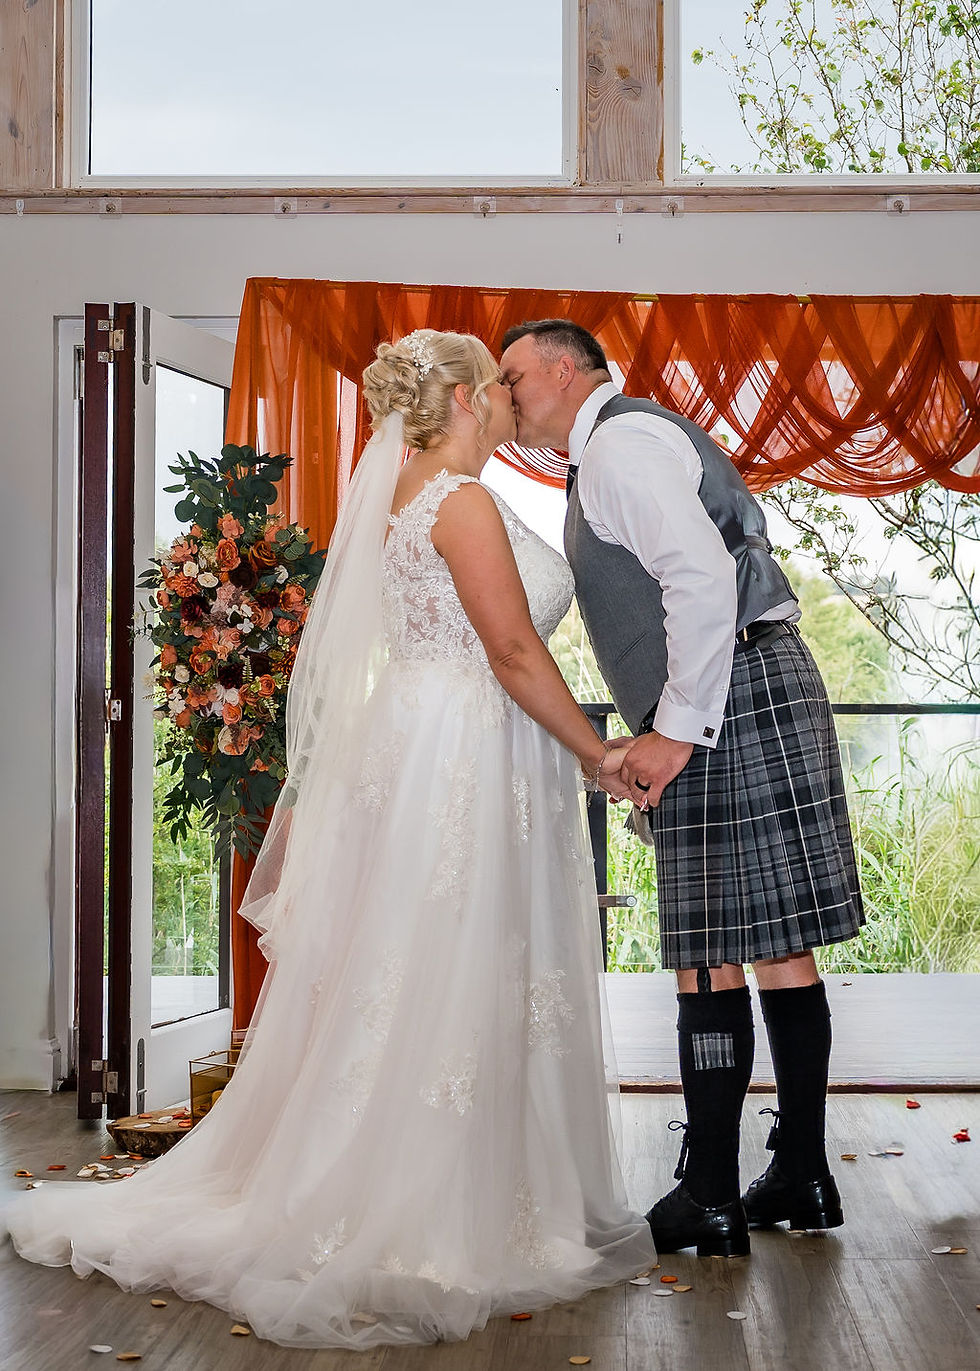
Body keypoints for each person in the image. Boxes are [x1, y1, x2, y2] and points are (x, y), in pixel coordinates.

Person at [3, 330, 655, 1348]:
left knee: (427, 965)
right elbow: (513, 650)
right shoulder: (464, 503)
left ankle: (455, 1185)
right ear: (462, 401)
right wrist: (594, 754)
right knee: (452, 962)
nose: (503, 405)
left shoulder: (407, 502)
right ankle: (434, 1215)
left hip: (438, 741)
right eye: (493, 389)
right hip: (469, 751)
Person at [499, 319, 864, 1259]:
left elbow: (699, 580)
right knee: (779, 949)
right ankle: (803, 1172)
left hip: (727, 690)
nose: (505, 395)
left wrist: (675, 729)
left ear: (566, 368)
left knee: (707, 950)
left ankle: (710, 1191)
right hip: (759, 677)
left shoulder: (617, 446)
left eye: (514, 376)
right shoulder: (621, 444)